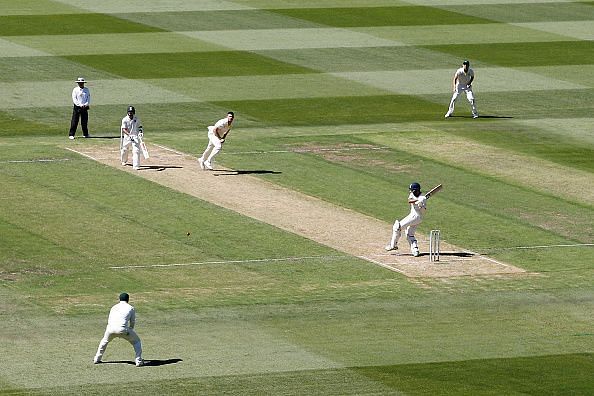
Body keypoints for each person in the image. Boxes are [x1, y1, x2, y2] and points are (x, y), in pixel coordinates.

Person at [94, 292, 144, 367]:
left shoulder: (114, 307)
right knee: (137, 342)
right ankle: (138, 361)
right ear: (128, 299)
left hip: (110, 329)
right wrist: (130, 329)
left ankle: (97, 359)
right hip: (123, 329)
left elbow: (109, 319)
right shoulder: (130, 308)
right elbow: (132, 321)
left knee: (104, 341)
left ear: (119, 299)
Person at [385, 182, 428, 257]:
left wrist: (421, 205)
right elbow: (409, 200)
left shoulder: (423, 198)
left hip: (416, 216)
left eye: (411, 190)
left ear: (415, 190)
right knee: (409, 234)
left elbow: (424, 211)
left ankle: (393, 246)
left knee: (397, 227)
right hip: (414, 217)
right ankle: (415, 250)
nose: (410, 191)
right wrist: (416, 200)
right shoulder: (414, 195)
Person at [120, 105, 143, 170]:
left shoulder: (137, 119)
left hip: (135, 136)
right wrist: (129, 135)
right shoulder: (124, 119)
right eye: (129, 112)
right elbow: (124, 129)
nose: (130, 114)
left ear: (133, 113)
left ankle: (136, 165)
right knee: (125, 149)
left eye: (131, 112)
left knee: (136, 151)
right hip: (127, 137)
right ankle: (124, 160)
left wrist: (141, 133)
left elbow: (140, 127)